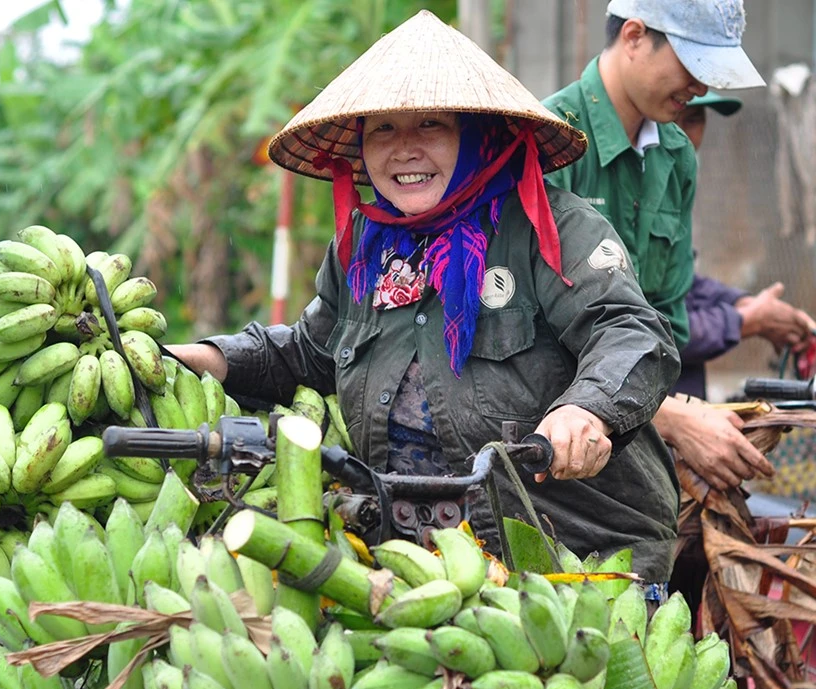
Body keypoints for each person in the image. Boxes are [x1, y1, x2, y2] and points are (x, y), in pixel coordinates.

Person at [170, 10, 682, 588]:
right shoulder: (362, 247)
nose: (404, 150)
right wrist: (204, 359)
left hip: (576, 558)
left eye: (431, 125)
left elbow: (629, 331)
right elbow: (311, 353)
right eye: (383, 129)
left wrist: (585, 411)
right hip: (420, 556)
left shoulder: (552, 229)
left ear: (478, 137)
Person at [542, 0, 777, 492]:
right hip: (557, 440)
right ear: (633, 36)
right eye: (693, 65)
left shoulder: (676, 155)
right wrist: (670, 419)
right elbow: (527, 342)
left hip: (637, 425)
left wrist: (678, 417)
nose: (702, 88)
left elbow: (664, 325)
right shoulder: (552, 141)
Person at [671, 92, 816, 400]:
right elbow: (648, 329)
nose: (680, 137)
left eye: (694, 121)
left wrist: (748, 306)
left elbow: (678, 285)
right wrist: (745, 321)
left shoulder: (675, 188)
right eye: (672, 120)